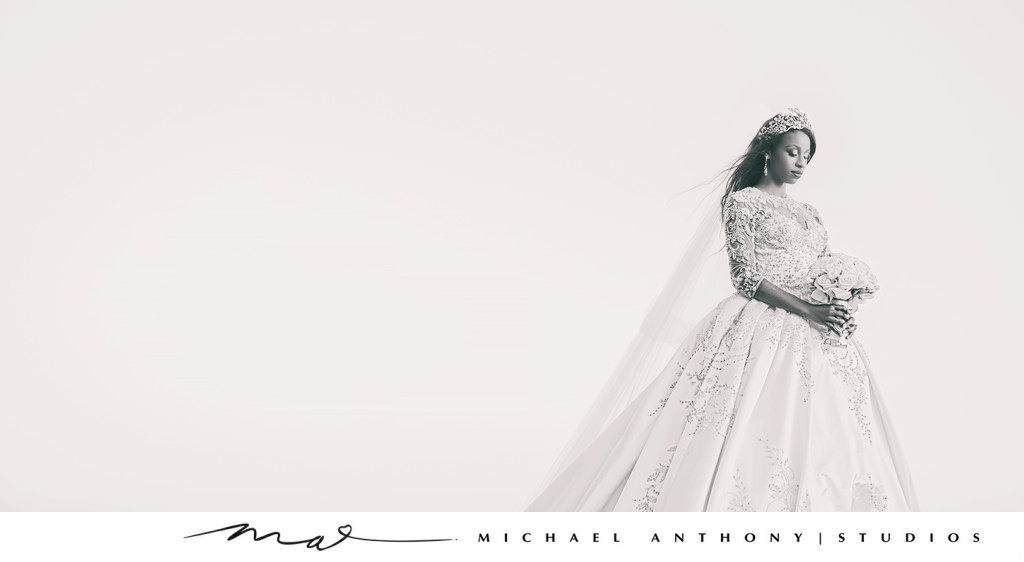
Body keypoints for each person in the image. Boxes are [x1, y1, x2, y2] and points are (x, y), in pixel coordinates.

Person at [525, 108, 919, 512]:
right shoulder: (742, 203)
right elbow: (745, 277)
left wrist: (839, 303)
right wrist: (808, 310)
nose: (800, 163)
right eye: (792, 152)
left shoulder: (811, 213)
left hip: (818, 334)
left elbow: (821, 267)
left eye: (807, 156)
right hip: (761, 327)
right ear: (769, 152)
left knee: (834, 435)